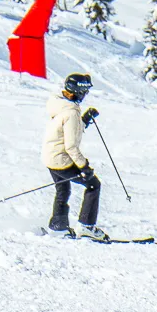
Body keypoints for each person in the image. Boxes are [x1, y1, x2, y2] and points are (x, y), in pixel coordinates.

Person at [43, 72, 104, 240]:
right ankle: (86, 226)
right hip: (61, 159)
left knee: (63, 189)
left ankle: (58, 227)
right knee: (93, 185)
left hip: (50, 157)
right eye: (85, 91)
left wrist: (84, 120)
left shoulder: (60, 104)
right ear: (79, 91)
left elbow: (69, 131)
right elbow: (71, 146)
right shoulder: (71, 112)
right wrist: (84, 167)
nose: (86, 95)